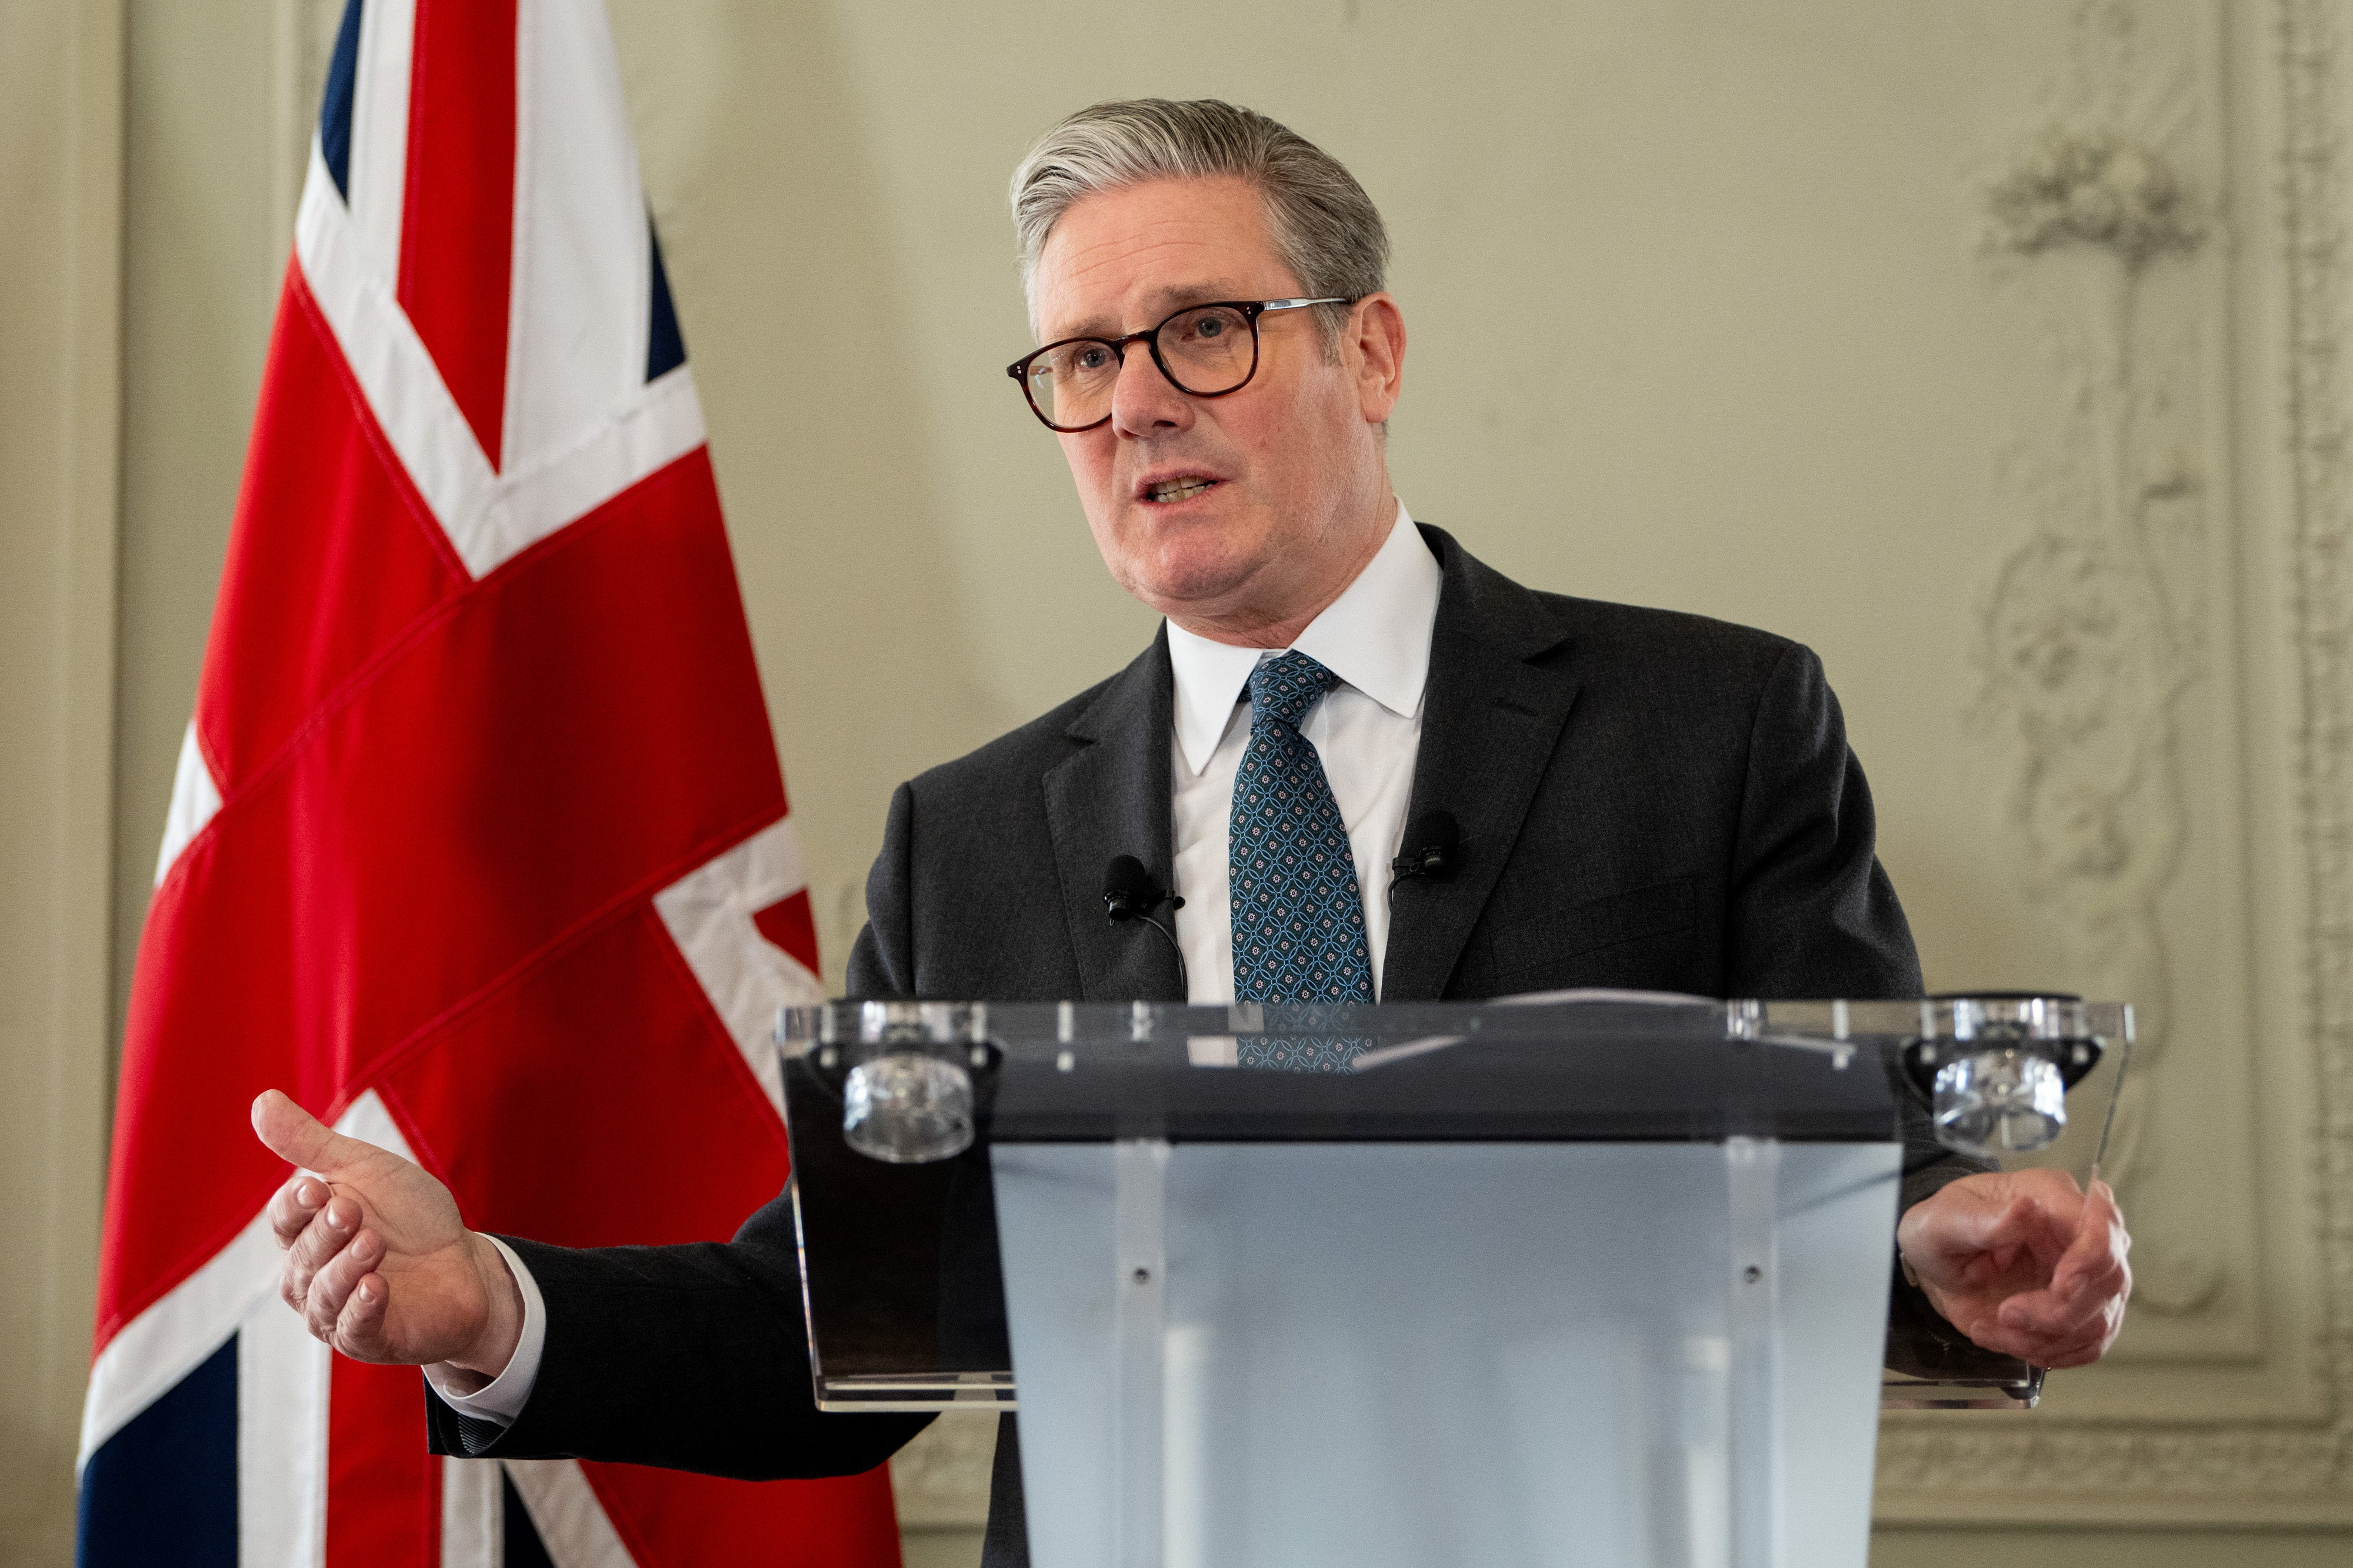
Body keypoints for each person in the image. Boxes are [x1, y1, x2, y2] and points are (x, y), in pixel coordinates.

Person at [252, 99, 2134, 1566]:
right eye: (1081, 360)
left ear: (1372, 351)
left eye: (1206, 330)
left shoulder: (1712, 725)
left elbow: (1875, 1156)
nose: (1136, 396)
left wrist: (1955, 1237)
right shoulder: (970, 836)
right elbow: (825, 1329)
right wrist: (483, 1301)